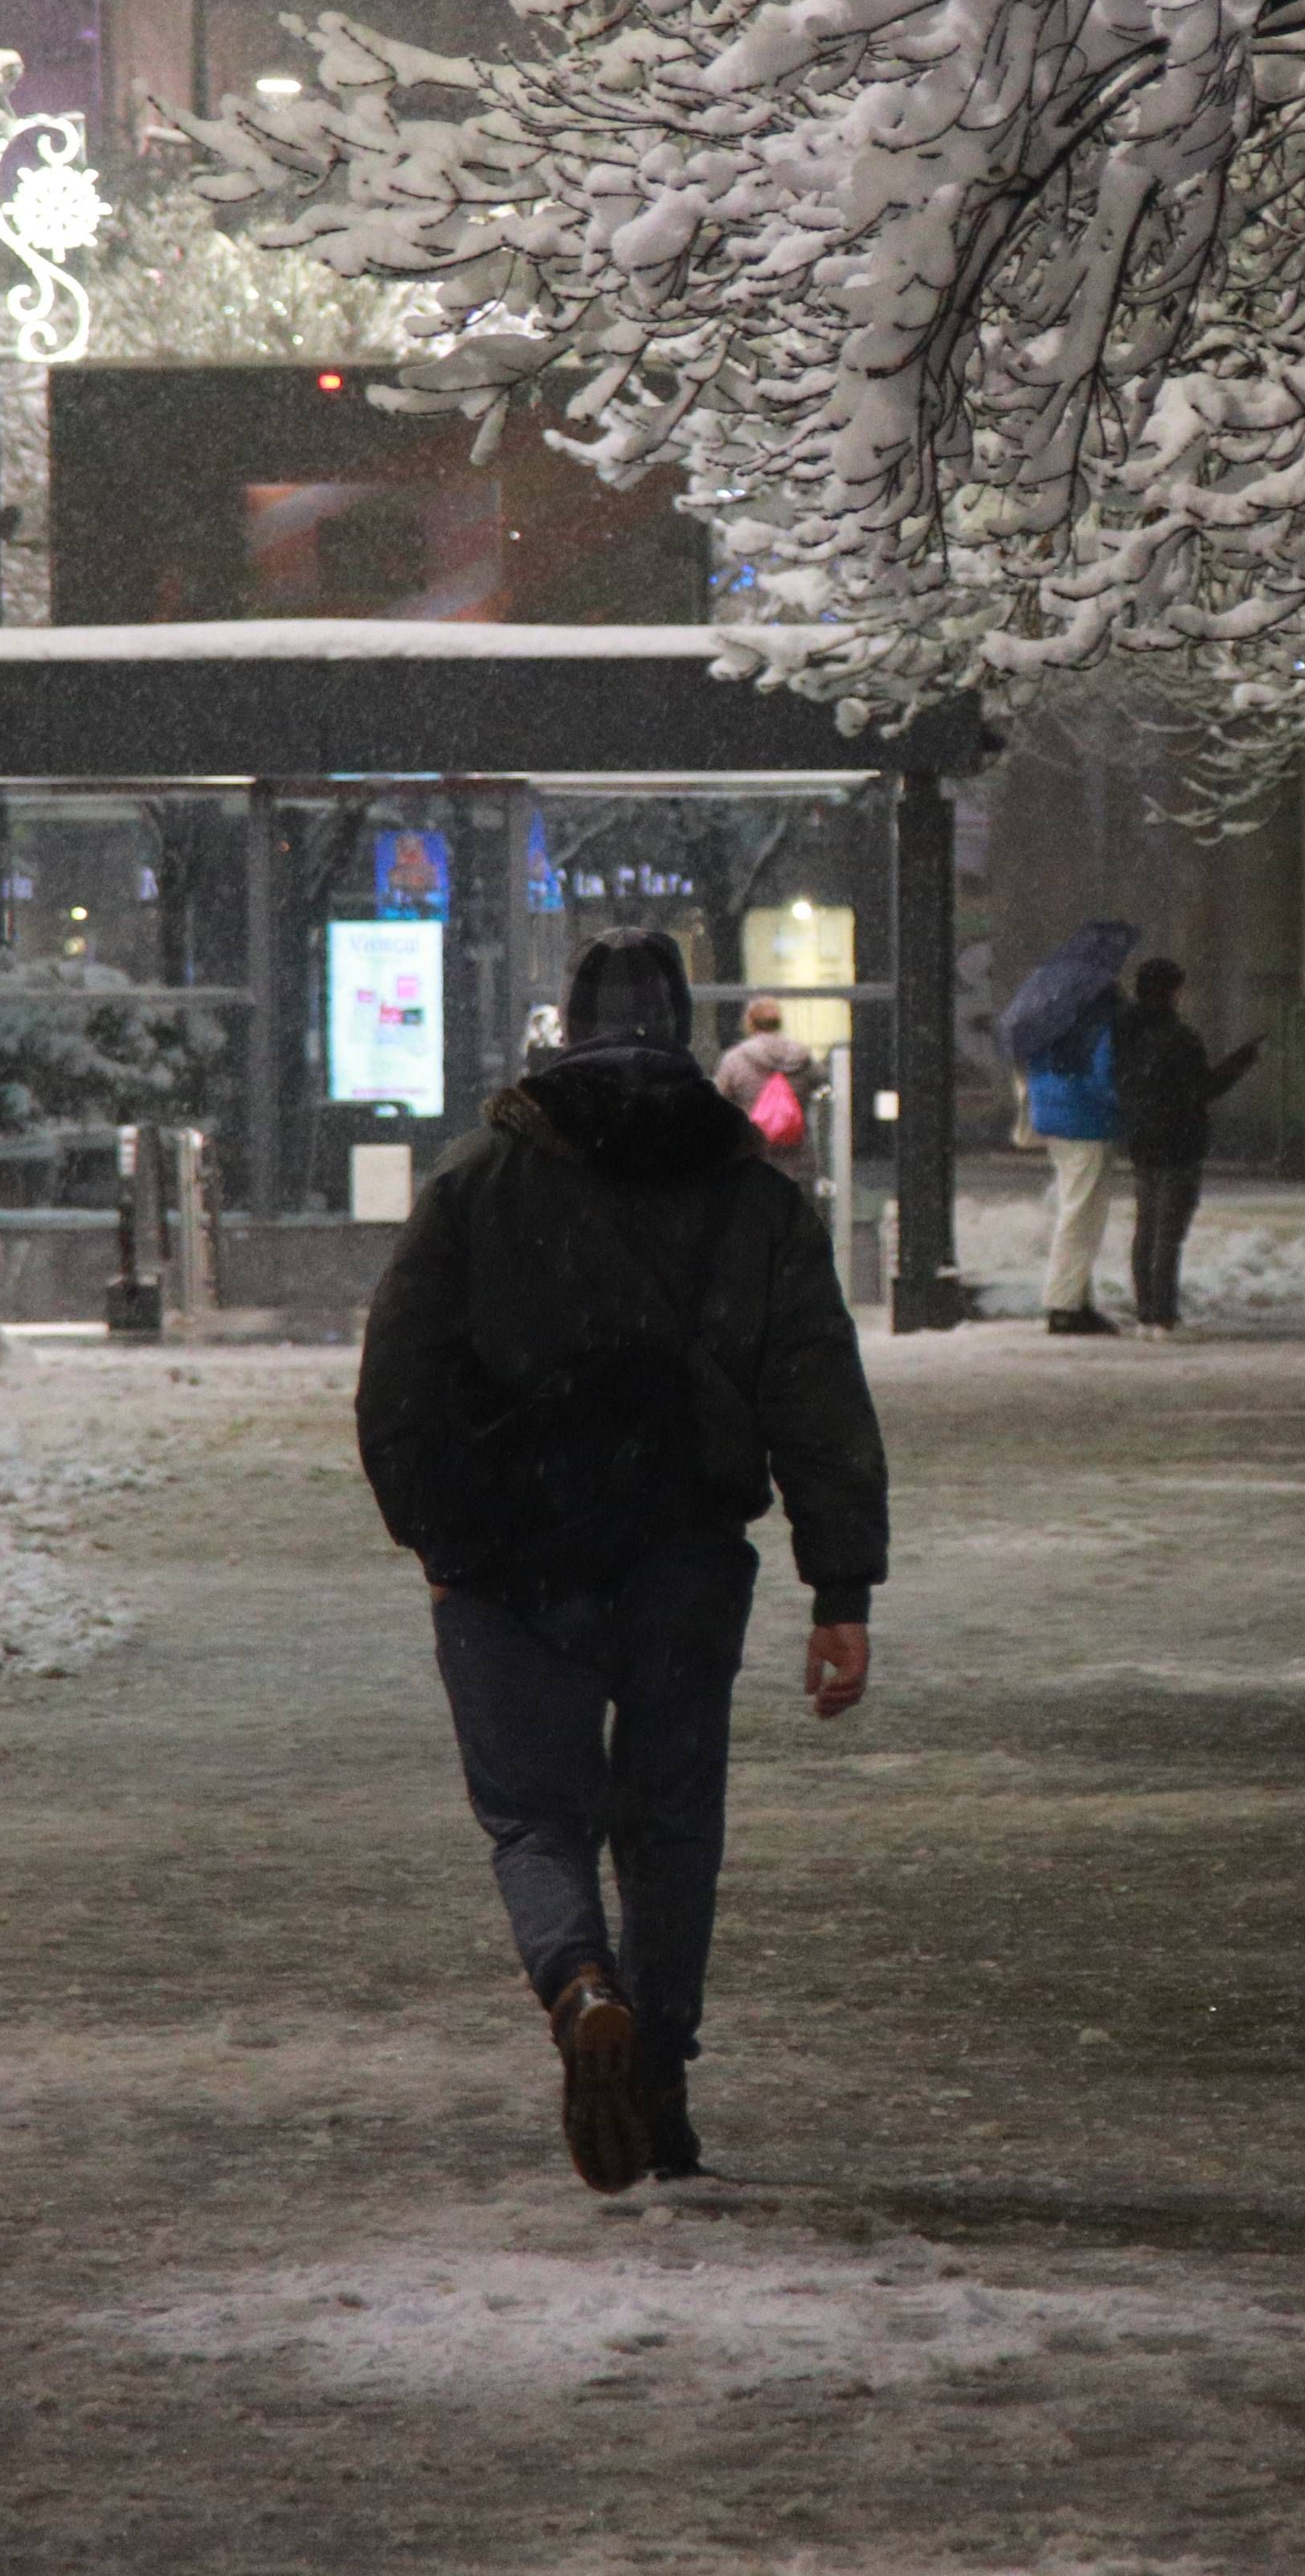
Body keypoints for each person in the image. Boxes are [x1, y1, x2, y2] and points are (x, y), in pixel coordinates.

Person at [357, 928, 887, 2191]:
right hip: (683, 1554)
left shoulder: (482, 1178)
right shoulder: (751, 1194)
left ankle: (580, 1984)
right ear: (687, 1029)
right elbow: (814, 1391)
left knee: (535, 1816)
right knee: (670, 1823)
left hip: (511, 1555)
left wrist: (439, 1537)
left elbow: (398, 1385)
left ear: (564, 1023)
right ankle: (662, 2078)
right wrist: (841, 1588)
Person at [1106, 960, 1261, 1340]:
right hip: (1179, 1139)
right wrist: (1238, 1065)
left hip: (1143, 1139)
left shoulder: (1123, 1033)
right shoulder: (1180, 1037)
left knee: (1146, 1229)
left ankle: (1146, 1314)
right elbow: (1201, 1091)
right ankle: (1164, 1316)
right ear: (1171, 991)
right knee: (1169, 1233)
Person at [999, 919, 1139, 1336]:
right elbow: (1104, 1074)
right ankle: (1064, 1305)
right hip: (1087, 1121)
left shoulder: (1050, 1005)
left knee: (1076, 1209)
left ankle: (1077, 1298)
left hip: (1056, 1117)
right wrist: (1123, 1108)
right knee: (1081, 1216)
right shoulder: (1097, 1012)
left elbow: (1032, 1065)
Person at [713, 997, 826, 1182]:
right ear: (780, 1023)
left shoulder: (735, 1059)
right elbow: (822, 1081)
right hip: (796, 1161)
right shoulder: (802, 1057)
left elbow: (717, 1101)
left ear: (749, 1023)